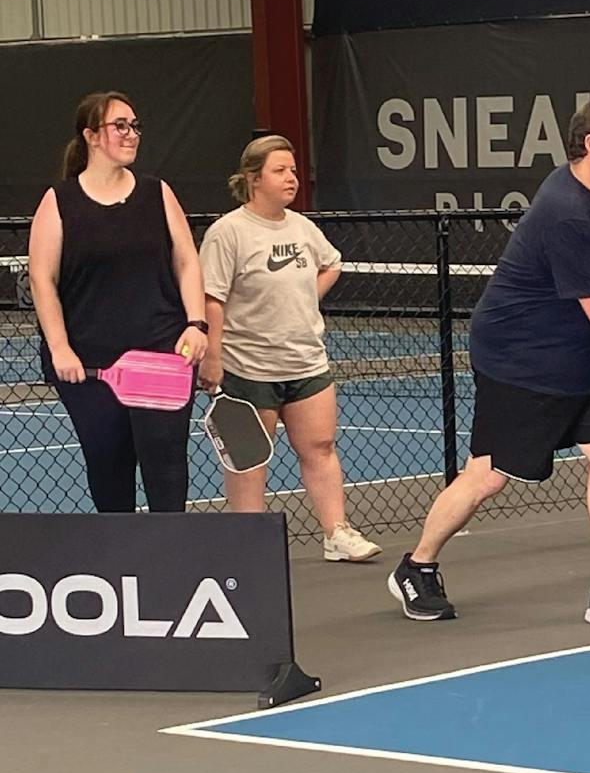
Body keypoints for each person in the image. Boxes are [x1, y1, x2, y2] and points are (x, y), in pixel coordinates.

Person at [387, 97, 590, 627]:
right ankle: (416, 565)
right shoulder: (565, 209)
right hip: (522, 362)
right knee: (487, 476)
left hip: (578, 360)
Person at [197, 135, 382, 561]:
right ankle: (249, 543)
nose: (291, 178)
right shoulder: (228, 233)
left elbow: (331, 263)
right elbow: (212, 298)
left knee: (320, 448)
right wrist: (214, 356)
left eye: (293, 170)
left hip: (307, 364)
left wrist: (305, 300)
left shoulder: (302, 227)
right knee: (248, 457)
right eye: (280, 170)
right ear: (253, 178)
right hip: (248, 368)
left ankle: (337, 534)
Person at [26, 91, 207, 512]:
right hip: (90, 364)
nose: (131, 134)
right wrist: (59, 348)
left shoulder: (157, 193)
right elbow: (42, 278)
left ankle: (169, 563)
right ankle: (120, 567)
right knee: (108, 465)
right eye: (119, 126)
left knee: (166, 468)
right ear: (91, 136)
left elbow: (187, 261)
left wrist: (196, 324)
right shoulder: (59, 201)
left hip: (161, 353)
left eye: (134, 125)